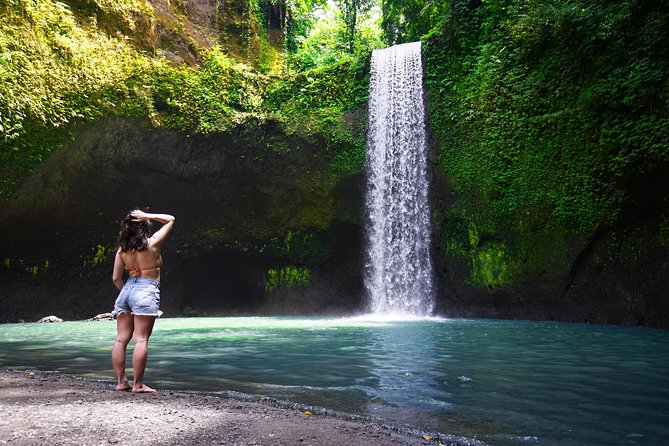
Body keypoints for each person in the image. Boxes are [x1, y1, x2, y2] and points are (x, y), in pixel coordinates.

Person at [111, 209, 175, 393]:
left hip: (127, 290)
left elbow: (116, 278)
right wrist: (147, 215)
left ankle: (122, 382)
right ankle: (138, 385)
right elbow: (170, 219)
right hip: (146, 290)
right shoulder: (153, 243)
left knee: (121, 339)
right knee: (140, 340)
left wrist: (127, 293)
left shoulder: (122, 250)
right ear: (144, 225)